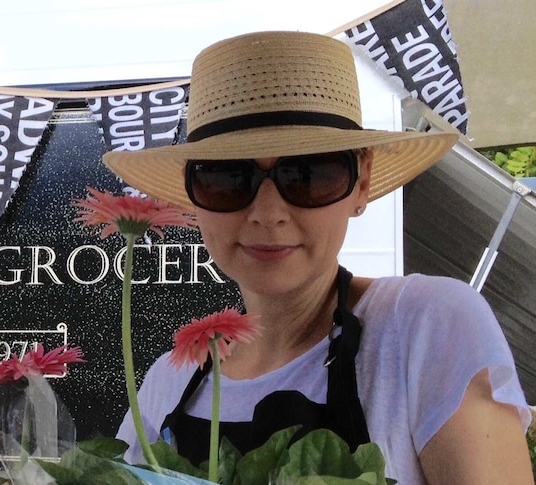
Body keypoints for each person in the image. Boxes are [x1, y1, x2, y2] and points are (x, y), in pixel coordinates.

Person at [104, 31, 533, 484]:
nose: (268, 215)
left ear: (361, 183)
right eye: (228, 177)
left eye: (308, 174)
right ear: (194, 197)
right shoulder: (168, 384)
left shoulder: (426, 326)